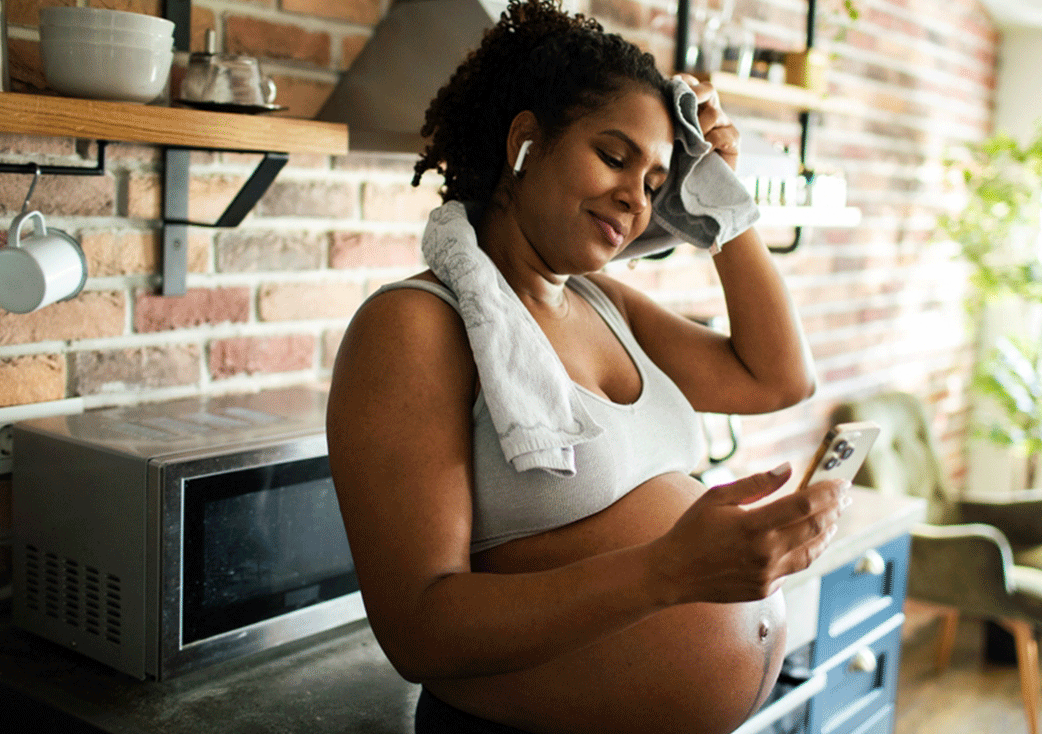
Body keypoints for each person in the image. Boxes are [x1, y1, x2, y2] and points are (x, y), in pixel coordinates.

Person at [325, 1, 849, 731]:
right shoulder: (414, 327)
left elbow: (778, 377)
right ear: (526, 142)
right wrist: (671, 571)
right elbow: (419, 628)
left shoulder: (606, 304)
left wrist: (722, 202)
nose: (638, 197)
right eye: (614, 156)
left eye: (661, 181)